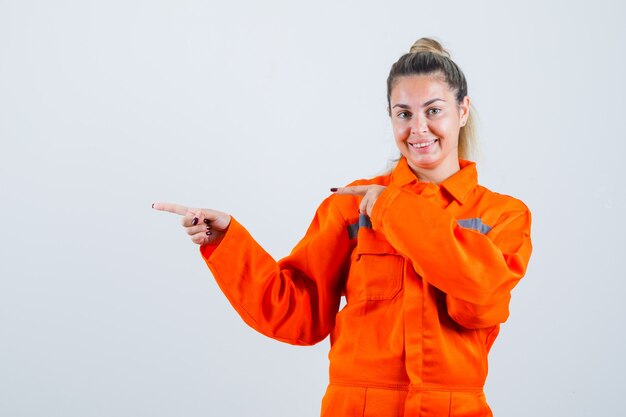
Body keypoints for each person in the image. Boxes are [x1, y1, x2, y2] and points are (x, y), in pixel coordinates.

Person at [153, 37, 532, 417]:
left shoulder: (502, 214)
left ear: (462, 110)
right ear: (390, 116)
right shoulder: (351, 208)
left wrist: (394, 208)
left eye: (434, 110)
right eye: (403, 114)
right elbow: (297, 312)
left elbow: (480, 303)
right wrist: (228, 241)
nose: (419, 128)